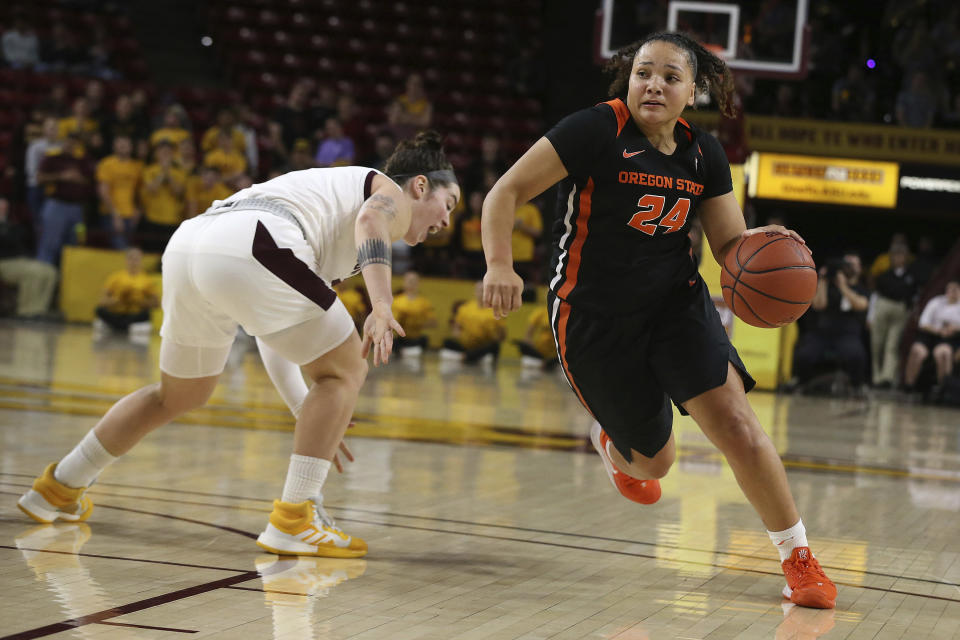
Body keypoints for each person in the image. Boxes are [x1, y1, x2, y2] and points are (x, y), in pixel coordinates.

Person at [479, 32, 836, 609]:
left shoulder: (705, 153)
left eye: (671, 77)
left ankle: (798, 559)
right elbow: (506, 191)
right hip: (592, 314)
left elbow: (730, 248)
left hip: (675, 303)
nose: (654, 85)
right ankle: (609, 438)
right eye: (645, 72)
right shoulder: (596, 128)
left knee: (738, 428)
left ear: (693, 91)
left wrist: (769, 246)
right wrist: (499, 264)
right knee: (656, 464)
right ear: (629, 79)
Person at [17, 131, 459, 560]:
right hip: (254, 240)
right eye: (448, 203)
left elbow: (274, 329)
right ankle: (294, 519)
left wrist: (305, 409)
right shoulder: (389, 197)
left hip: (192, 245)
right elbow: (370, 222)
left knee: (180, 394)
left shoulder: (326, 221)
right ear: (420, 186)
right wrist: (382, 304)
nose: (447, 221)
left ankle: (59, 487)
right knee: (347, 369)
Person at [793, 252, 870, 392]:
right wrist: (823, 280)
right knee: (804, 354)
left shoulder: (861, 288)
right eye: (847, 263)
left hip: (847, 334)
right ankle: (804, 383)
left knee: (857, 355)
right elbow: (818, 305)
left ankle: (857, 386)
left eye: (853, 264)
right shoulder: (828, 285)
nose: (849, 267)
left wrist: (843, 286)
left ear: (859, 268)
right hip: (823, 333)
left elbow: (861, 305)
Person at [35, 131, 95, 266]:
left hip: (77, 209)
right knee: (49, 244)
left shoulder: (83, 160)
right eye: (69, 142)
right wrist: (61, 176)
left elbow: (91, 182)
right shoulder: (52, 157)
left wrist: (78, 179)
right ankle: (43, 277)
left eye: (74, 143)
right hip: (56, 205)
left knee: (75, 244)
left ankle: (68, 283)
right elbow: (39, 178)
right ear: (63, 142)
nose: (71, 145)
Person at [0, 197, 58, 319]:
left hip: (21, 260)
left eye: (5, 206)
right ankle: (26, 311)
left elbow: (23, 239)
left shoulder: (11, 224)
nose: (4, 208)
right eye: (1, 206)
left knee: (50, 271)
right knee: (33, 273)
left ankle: (39, 310)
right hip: (4, 262)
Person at [868, 244, 916, 388]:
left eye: (901, 255)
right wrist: (870, 316)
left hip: (900, 310)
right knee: (877, 343)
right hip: (883, 306)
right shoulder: (884, 275)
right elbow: (875, 296)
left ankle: (887, 378)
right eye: (895, 255)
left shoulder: (910, 277)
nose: (897, 258)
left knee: (892, 344)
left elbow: (912, 297)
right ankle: (876, 377)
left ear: (905, 258)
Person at [903, 280, 960, 392]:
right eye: (949, 289)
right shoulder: (936, 301)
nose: (951, 292)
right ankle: (908, 385)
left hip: (951, 338)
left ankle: (944, 389)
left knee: (943, 353)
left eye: (955, 289)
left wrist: (955, 328)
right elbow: (923, 323)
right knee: (917, 351)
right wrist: (938, 331)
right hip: (930, 335)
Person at [92, 247, 158, 338]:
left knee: (146, 315)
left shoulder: (147, 280)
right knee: (99, 311)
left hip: (134, 315)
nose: (133, 262)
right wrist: (118, 300)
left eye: (136, 259)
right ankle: (123, 326)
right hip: (116, 313)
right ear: (126, 260)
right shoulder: (115, 277)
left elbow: (156, 303)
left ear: (141, 260)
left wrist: (137, 301)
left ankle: (119, 327)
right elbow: (101, 301)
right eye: (131, 258)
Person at [138, 140, 187, 253]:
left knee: (169, 253)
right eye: (162, 152)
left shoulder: (179, 172)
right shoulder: (149, 170)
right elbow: (152, 189)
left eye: (168, 152)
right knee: (152, 252)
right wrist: (162, 173)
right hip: (153, 218)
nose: (165, 154)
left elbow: (178, 192)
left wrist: (168, 173)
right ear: (156, 154)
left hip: (172, 218)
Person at [96, 136, 144, 249]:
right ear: (114, 147)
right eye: (120, 143)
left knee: (127, 245)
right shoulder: (107, 164)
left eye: (126, 144)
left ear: (131, 148)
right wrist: (115, 214)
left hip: (130, 215)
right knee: (119, 247)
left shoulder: (137, 166)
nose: (123, 146)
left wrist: (139, 210)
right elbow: (103, 191)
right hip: (111, 214)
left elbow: (140, 192)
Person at [441, 281, 506, 365]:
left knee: (494, 346)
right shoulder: (465, 308)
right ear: (475, 292)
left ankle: (467, 356)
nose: (482, 293)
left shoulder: (496, 311)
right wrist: (457, 334)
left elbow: (502, 336)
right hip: (466, 345)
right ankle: (469, 355)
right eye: (480, 290)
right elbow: (456, 328)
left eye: (485, 291)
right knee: (447, 342)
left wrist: (496, 334)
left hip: (483, 345)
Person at [391, 271, 436, 357]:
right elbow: (390, 323)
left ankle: (409, 352)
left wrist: (417, 322)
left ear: (419, 283)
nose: (411, 283)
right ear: (403, 282)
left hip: (416, 338)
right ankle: (404, 352)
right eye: (409, 280)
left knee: (425, 339)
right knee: (392, 340)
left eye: (414, 281)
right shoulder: (396, 301)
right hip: (401, 338)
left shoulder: (424, 302)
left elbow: (433, 323)